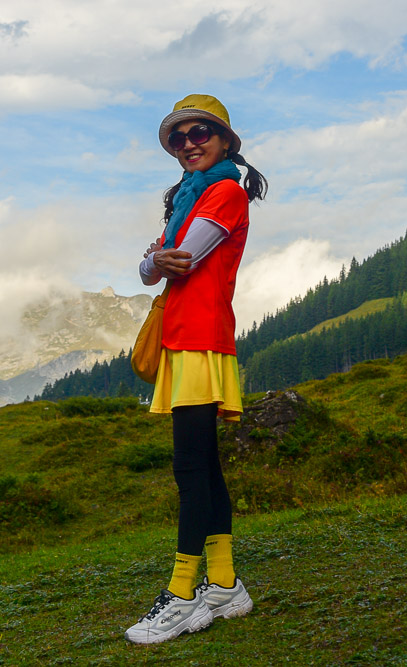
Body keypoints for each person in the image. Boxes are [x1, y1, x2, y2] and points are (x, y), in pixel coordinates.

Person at [125, 94, 267, 645]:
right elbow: (151, 268)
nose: (188, 144)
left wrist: (158, 256)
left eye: (200, 133)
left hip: (199, 340)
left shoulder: (225, 192)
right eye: (178, 138)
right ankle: (225, 584)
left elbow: (178, 260)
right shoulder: (190, 198)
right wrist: (156, 258)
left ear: (225, 140)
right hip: (190, 338)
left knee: (190, 469)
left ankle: (183, 594)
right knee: (204, 466)